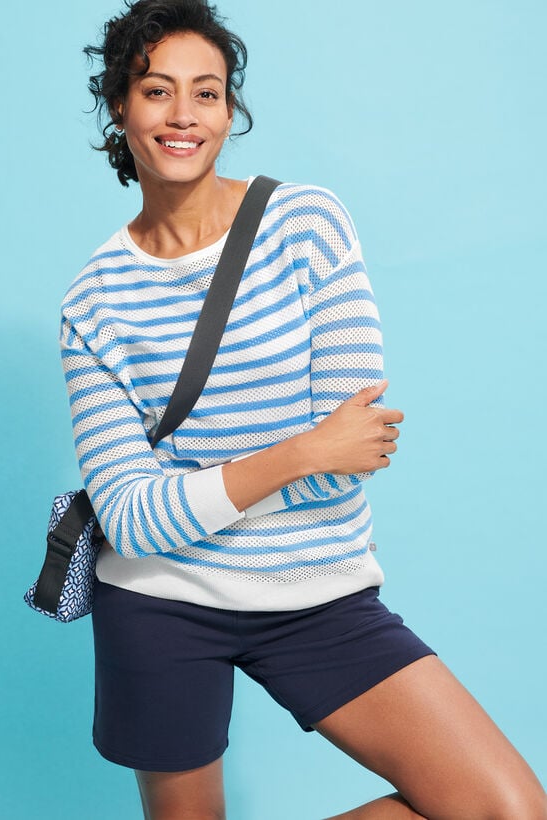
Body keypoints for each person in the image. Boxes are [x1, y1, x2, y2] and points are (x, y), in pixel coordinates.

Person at [61, 1, 546, 817]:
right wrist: (301, 450)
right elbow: (135, 524)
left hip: (319, 590)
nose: (183, 115)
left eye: (207, 92)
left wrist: (203, 489)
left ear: (229, 111)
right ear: (121, 106)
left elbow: (351, 459)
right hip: (159, 603)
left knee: (506, 809)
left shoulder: (305, 225)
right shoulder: (92, 302)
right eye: (157, 90)